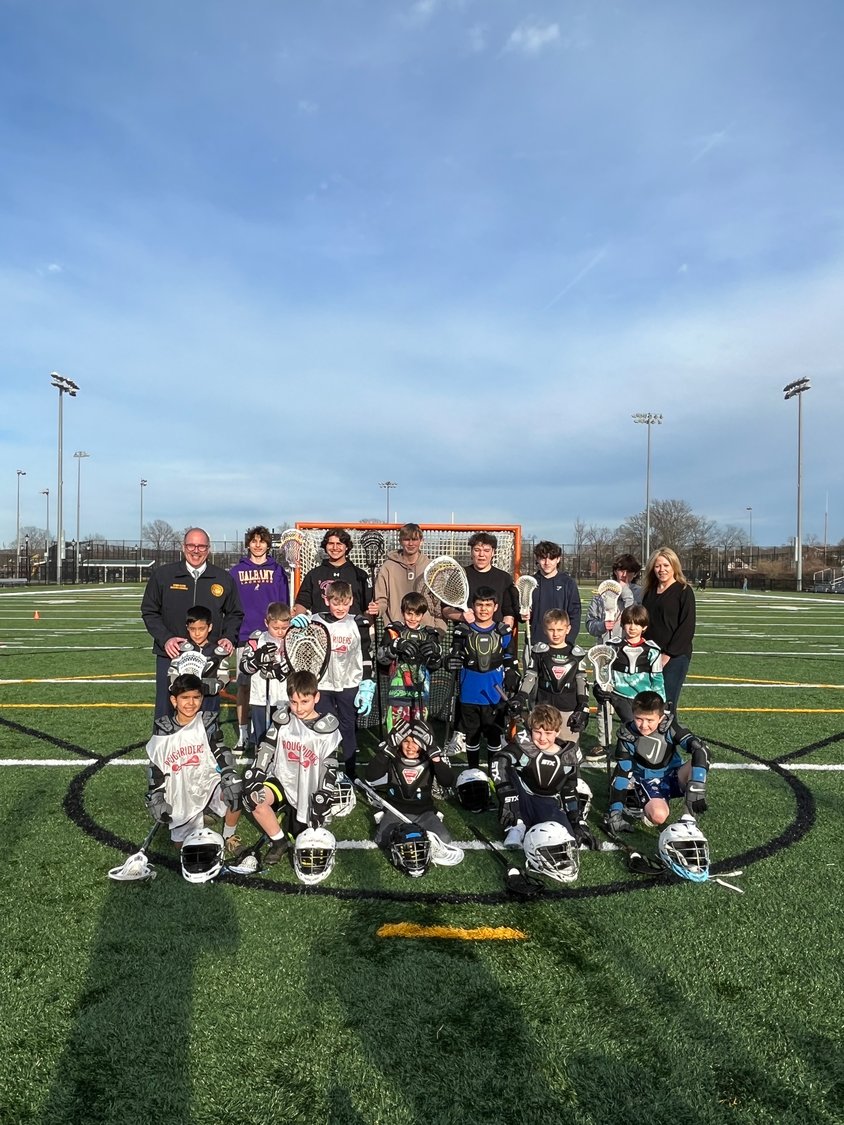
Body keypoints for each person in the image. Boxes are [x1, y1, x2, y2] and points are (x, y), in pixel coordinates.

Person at [140, 527, 243, 722]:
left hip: (209, 657)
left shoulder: (223, 578)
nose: (196, 551)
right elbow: (149, 610)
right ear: (183, 547)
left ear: (208, 549)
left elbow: (235, 613)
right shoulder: (163, 575)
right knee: (167, 709)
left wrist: (229, 637)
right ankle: (165, 750)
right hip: (171, 654)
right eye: (191, 545)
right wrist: (166, 638)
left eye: (201, 546)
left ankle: (205, 751)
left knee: (207, 713)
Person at [241, 670, 342, 865]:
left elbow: (331, 765)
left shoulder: (326, 728)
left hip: (309, 788)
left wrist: (325, 792)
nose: (299, 708)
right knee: (253, 798)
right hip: (282, 780)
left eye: (304, 702)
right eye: (294, 702)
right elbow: (268, 747)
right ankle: (279, 843)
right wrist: (257, 772)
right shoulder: (283, 719)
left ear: (316, 697)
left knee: (305, 840)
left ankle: (292, 821)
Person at [144, 673, 243, 855]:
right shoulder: (164, 729)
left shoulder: (205, 722)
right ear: (174, 701)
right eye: (185, 698)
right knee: (186, 850)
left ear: (202, 698)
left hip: (207, 781)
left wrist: (229, 773)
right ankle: (199, 815)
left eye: (196, 697)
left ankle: (229, 836)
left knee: (236, 790)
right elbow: (155, 766)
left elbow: (220, 750)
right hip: (180, 790)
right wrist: (156, 796)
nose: (191, 703)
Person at [291, 580, 375, 779]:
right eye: (335, 603)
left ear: (351, 601)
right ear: (326, 600)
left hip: (349, 684)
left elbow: (365, 655)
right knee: (324, 727)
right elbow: (299, 648)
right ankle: (323, 768)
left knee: (348, 727)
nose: (340, 607)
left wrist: (366, 683)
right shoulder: (315, 621)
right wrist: (294, 627)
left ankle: (351, 772)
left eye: (344, 603)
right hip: (323, 684)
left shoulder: (358, 623)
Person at [492, 703, 596, 853]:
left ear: (558, 731)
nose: (542, 738)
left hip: (547, 801)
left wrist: (577, 820)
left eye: (548, 733)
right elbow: (499, 761)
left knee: (565, 838)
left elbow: (569, 790)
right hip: (522, 797)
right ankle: (516, 825)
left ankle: (531, 823)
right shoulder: (524, 747)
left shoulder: (568, 756)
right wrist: (507, 797)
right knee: (509, 771)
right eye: (537, 732)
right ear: (531, 729)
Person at [605, 689, 709, 833]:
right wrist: (615, 811)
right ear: (633, 715)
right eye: (639, 718)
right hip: (646, 780)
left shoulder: (670, 727)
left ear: (660, 718)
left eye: (650, 720)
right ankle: (634, 798)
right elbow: (623, 772)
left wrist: (697, 787)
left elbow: (699, 749)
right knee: (658, 816)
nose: (644, 725)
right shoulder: (627, 735)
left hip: (674, 775)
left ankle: (688, 819)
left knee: (701, 755)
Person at [230, 525, 289, 750]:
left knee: (277, 685)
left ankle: (276, 732)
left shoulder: (278, 571)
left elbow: (284, 604)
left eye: (262, 541)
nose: (257, 545)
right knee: (244, 686)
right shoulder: (236, 572)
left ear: (268, 545)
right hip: (246, 636)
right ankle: (244, 733)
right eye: (254, 541)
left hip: (274, 635)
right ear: (248, 544)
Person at [450, 586, 519, 772]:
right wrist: (451, 661)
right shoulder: (462, 631)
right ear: (473, 606)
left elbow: (510, 658)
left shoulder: (502, 631)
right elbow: (453, 655)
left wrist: (512, 674)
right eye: (480, 604)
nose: (484, 609)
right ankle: (473, 771)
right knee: (472, 737)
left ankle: (493, 772)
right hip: (469, 693)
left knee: (494, 736)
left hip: (494, 694)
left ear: (496, 607)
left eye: (488, 605)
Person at [364, 719, 456, 853]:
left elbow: (448, 781)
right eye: (406, 741)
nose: (410, 746)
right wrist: (386, 751)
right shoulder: (392, 756)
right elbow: (371, 776)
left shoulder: (429, 758)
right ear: (399, 741)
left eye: (416, 742)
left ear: (424, 742)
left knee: (444, 839)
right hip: (395, 810)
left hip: (424, 811)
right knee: (382, 840)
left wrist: (436, 758)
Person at [515, 609, 589, 744]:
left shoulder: (576, 654)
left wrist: (583, 705)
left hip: (568, 708)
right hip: (544, 707)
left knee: (568, 751)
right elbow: (530, 676)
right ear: (544, 629)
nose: (556, 634)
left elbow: (581, 681)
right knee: (542, 748)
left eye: (560, 629)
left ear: (568, 629)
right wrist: (521, 696)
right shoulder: (540, 652)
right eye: (551, 629)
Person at [376, 591, 443, 731]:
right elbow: (381, 659)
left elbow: (436, 665)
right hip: (397, 693)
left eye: (417, 614)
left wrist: (435, 652)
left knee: (418, 736)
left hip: (420, 694)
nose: (413, 618)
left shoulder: (430, 634)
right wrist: (395, 647)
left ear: (423, 614)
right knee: (396, 734)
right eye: (409, 613)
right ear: (402, 612)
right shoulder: (393, 631)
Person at [592, 604, 665, 730]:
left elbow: (657, 678)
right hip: (616, 695)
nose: (632, 627)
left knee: (639, 727)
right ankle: (602, 746)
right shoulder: (612, 647)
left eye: (637, 624)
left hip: (642, 697)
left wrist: (660, 702)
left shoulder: (652, 650)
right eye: (628, 623)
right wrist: (598, 686)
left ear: (644, 627)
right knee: (610, 716)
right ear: (622, 624)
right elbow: (603, 672)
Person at [641, 548, 696, 709]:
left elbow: (686, 627)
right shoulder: (649, 592)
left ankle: (672, 734)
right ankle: (651, 735)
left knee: (666, 706)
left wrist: (668, 654)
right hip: (650, 655)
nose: (662, 570)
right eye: (658, 566)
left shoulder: (684, 591)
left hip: (675, 657)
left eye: (666, 565)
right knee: (650, 704)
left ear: (674, 566)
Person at [238, 602, 291, 749]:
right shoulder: (256, 640)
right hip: (261, 697)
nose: (280, 632)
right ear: (266, 622)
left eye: (284, 628)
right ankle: (260, 762)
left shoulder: (292, 640)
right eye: (276, 628)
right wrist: (257, 659)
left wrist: (280, 670)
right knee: (262, 736)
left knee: (282, 736)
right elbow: (244, 667)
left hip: (284, 698)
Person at [292, 528, 378, 618]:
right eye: (331, 544)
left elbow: (367, 607)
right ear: (325, 546)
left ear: (347, 546)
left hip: (352, 628)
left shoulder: (360, 575)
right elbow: (302, 602)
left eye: (339, 544)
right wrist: (298, 619)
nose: (335, 547)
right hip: (322, 628)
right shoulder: (314, 574)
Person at [374, 522, 443, 633]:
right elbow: (381, 600)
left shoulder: (431, 567)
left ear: (421, 541)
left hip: (426, 631)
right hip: (397, 631)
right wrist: (377, 609)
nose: (411, 543)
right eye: (406, 539)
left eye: (415, 539)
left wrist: (438, 632)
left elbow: (438, 604)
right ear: (400, 541)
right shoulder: (388, 567)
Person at [441, 531, 518, 629]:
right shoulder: (459, 576)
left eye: (486, 550)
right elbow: (445, 609)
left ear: (493, 552)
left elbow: (509, 613)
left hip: (496, 639)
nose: (481, 554)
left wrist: (502, 633)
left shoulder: (504, 578)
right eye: (477, 550)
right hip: (466, 638)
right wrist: (462, 616)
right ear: (471, 552)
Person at [166, 605, 231, 720]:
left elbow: (224, 677)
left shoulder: (219, 653)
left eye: (201, 629)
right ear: (187, 627)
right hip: (186, 703)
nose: (197, 634)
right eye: (192, 629)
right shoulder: (181, 650)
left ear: (210, 627)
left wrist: (215, 685)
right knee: (185, 734)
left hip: (209, 702)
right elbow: (172, 673)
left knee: (209, 733)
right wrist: (176, 687)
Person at [523, 541, 581, 645]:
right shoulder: (530, 583)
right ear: (537, 559)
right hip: (535, 642)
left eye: (551, 558)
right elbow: (522, 613)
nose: (547, 562)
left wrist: (568, 641)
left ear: (558, 559)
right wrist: (522, 615)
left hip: (561, 643)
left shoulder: (568, 583)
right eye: (543, 558)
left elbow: (575, 614)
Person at [584, 553, 641, 642]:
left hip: (630, 648)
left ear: (635, 574)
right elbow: (590, 624)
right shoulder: (603, 592)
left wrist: (625, 591)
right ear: (615, 571)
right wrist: (602, 626)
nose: (625, 575)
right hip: (606, 646)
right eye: (621, 570)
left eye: (629, 571)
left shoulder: (640, 593)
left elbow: (635, 618)